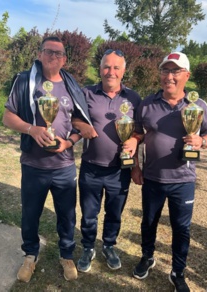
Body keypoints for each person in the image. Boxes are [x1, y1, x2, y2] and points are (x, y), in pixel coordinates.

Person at [2, 36, 92, 283]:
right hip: (33, 164)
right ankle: (30, 255)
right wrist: (32, 129)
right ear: (40, 54)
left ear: (64, 59)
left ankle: (66, 255)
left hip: (64, 166)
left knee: (67, 215)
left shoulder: (72, 86)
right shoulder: (24, 81)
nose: (54, 57)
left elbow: (80, 123)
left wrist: (69, 142)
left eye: (59, 54)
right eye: (49, 52)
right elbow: (8, 117)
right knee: (30, 214)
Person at [127, 52, 207, 292]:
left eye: (175, 71)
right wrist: (135, 165)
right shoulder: (147, 103)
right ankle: (147, 257)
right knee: (149, 222)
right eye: (165, 71)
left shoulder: (198, 106)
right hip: (153, 178)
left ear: (186, 75)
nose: (169, 76)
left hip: (183, 180)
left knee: (181, 228)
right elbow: (137, 134)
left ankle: (178, 272)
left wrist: (201, 142)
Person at [72, 49, 141, 272]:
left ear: (124, 71)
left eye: (116, 67)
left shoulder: (133, 98)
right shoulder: (86, 93)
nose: (111, 71)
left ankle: (109, 245)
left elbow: (141, 129)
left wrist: (135, 140)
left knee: (114, 213)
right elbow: (72, 117)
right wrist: (82, 126)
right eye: (106, 66)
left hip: (119, 170)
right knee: (89, 213)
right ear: (100, 69)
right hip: (91, 167)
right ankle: (88, 247)